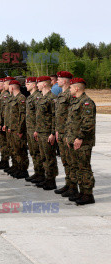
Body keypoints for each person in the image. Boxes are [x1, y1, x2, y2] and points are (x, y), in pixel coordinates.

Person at [65, 77, 96, 205]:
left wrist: (80, 137)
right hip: (74, 140)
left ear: (76, 88)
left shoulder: (86, 102)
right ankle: (82, 192)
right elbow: (71, 122)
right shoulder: (75, 102)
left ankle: (88, 194)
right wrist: (69, 137)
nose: (70, 89)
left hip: (83, 142)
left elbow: (88, 123)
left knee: (84, 168)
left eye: (71, 87)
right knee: (77, 167)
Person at [33, 76, 58, 190]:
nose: (36, 85)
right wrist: (37, 130)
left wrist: (53, 133)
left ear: (44, 84)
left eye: (38, 83)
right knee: (43, 156)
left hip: (48, 132)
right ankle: (46, 177)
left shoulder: (52, 98)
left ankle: (51, 180)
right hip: (41, 131)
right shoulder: (41, 98)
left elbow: (54, 117)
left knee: (50, 157)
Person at [54, 71, 74, 195]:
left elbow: (72, 117)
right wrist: (57, 130)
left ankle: (73, 186)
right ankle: (68, 184)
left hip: (67, 133)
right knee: (65, 161)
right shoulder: (61, 94)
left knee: (71, 161)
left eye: (60, 79)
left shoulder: (70, 95)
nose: (57, 81)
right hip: (60, 132)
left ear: (66, 81)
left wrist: (68, 133)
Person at [6, 80, 29, 179]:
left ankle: (23, 169)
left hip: (18, 129)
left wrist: (20, 130)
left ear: (12, 87)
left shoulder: (21, 98)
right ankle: (17, 167)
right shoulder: (12, 98)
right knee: (14, 149)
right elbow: (10, 114)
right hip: (12, 128)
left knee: (21, 150)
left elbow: (22, 115)